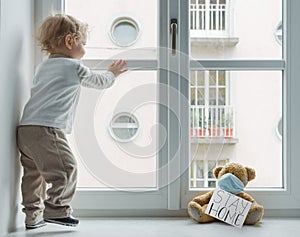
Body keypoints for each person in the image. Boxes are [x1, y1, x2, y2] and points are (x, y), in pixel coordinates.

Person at [16, 14, 127, 230]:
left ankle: (33, 216)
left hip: (26, 129)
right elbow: (99, 81)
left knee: (33, 175)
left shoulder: (42, 67)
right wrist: (112, 73)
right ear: (70, 41)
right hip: (47, 129)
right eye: (82, 43)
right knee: (68, 169)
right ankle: (57, 210)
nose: (84, 48)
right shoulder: (73, 67)